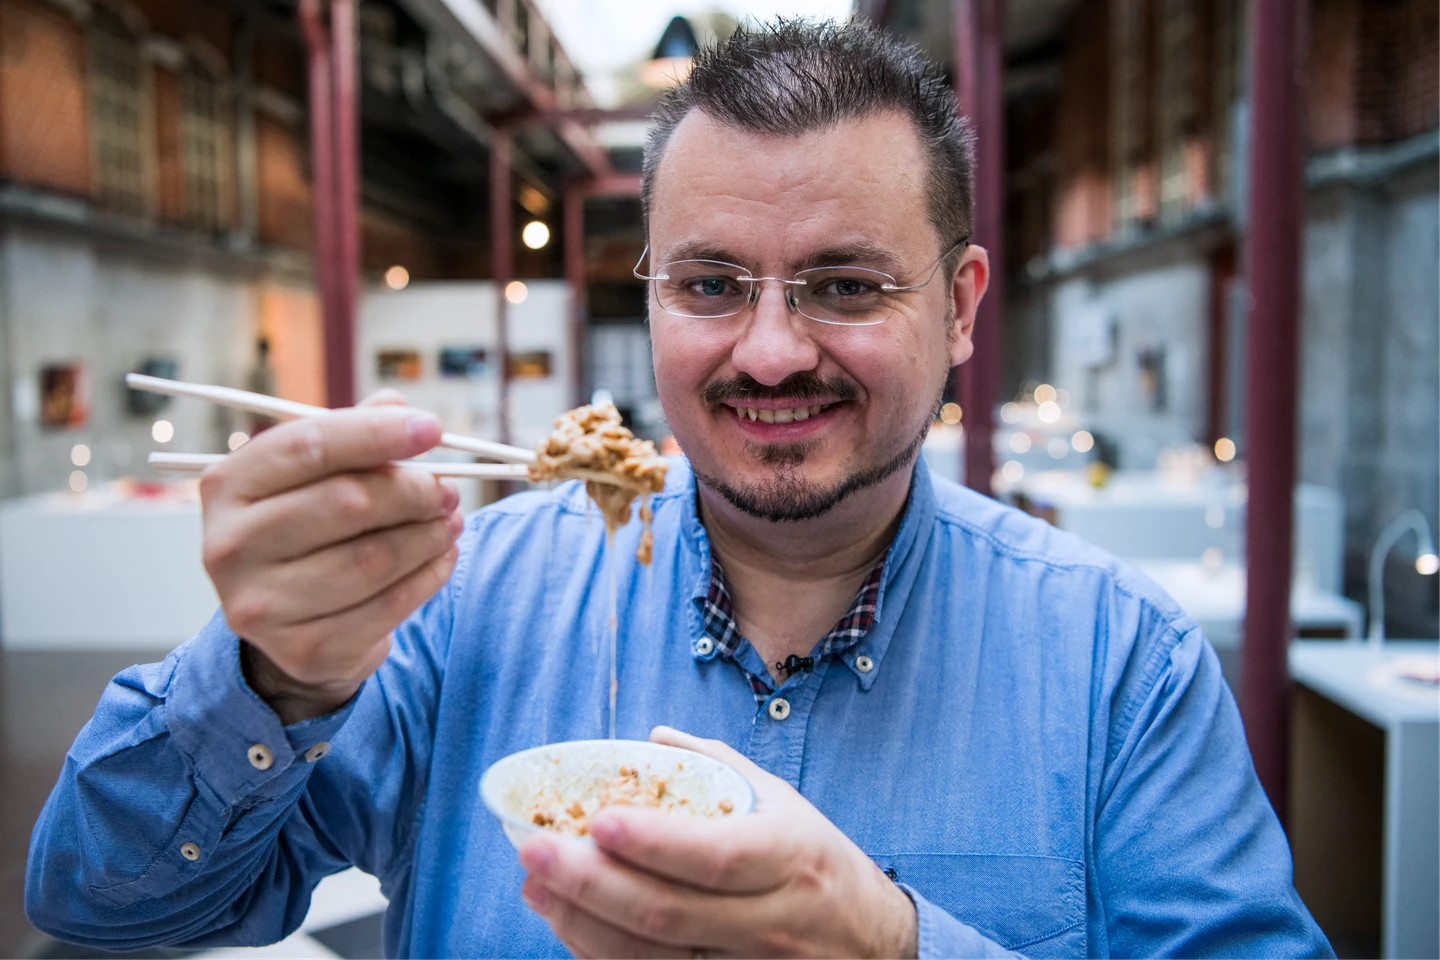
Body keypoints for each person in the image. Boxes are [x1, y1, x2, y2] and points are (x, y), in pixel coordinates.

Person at [26, 20, 1333, 960]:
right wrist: (276, 678)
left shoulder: (1116, 660)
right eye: (710, 285)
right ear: (652, 297)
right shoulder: (463, 603)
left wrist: (896, 945)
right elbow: (105, 901)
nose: (768, 352)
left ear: (960, 305)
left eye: (844, 284)